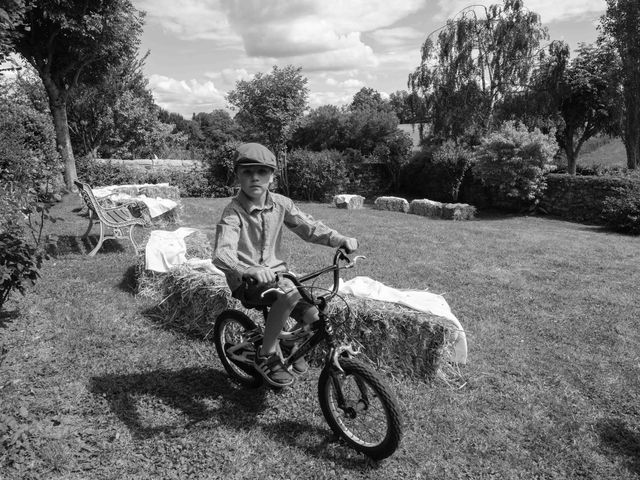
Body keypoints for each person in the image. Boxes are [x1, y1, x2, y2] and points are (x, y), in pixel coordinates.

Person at [213, 143, 358, 387]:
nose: (255, 177)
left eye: (262, 172)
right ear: (237, 175)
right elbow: (222, 253)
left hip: (279, 278)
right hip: (247, 282)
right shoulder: (233, 212)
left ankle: (288, 344)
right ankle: (266, 354)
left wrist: (339, 239)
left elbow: (309, 227)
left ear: (272, 176)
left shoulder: (281, 204)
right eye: (247, 172)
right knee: (287, 296)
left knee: (314, 315)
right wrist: (247, 269)